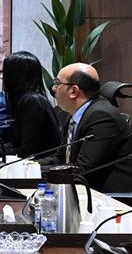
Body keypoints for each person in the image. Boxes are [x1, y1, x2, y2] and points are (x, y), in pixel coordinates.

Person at [38, 63, 132, 192]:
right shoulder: (76, 114)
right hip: (83, 190)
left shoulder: (101, 116)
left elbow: (82, 170)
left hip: (109, 196)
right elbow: (60, 158)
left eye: (57, 83)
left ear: (73, 91)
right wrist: (28, 166)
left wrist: (35, 173)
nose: (53, 88)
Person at [1, 51, 61, 157]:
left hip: (40, 164)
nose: (2, 77)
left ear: (15, 75)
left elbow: (27, 151)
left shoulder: (32, 101)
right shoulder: (28, 99)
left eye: (5, 73)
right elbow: (16, 144)